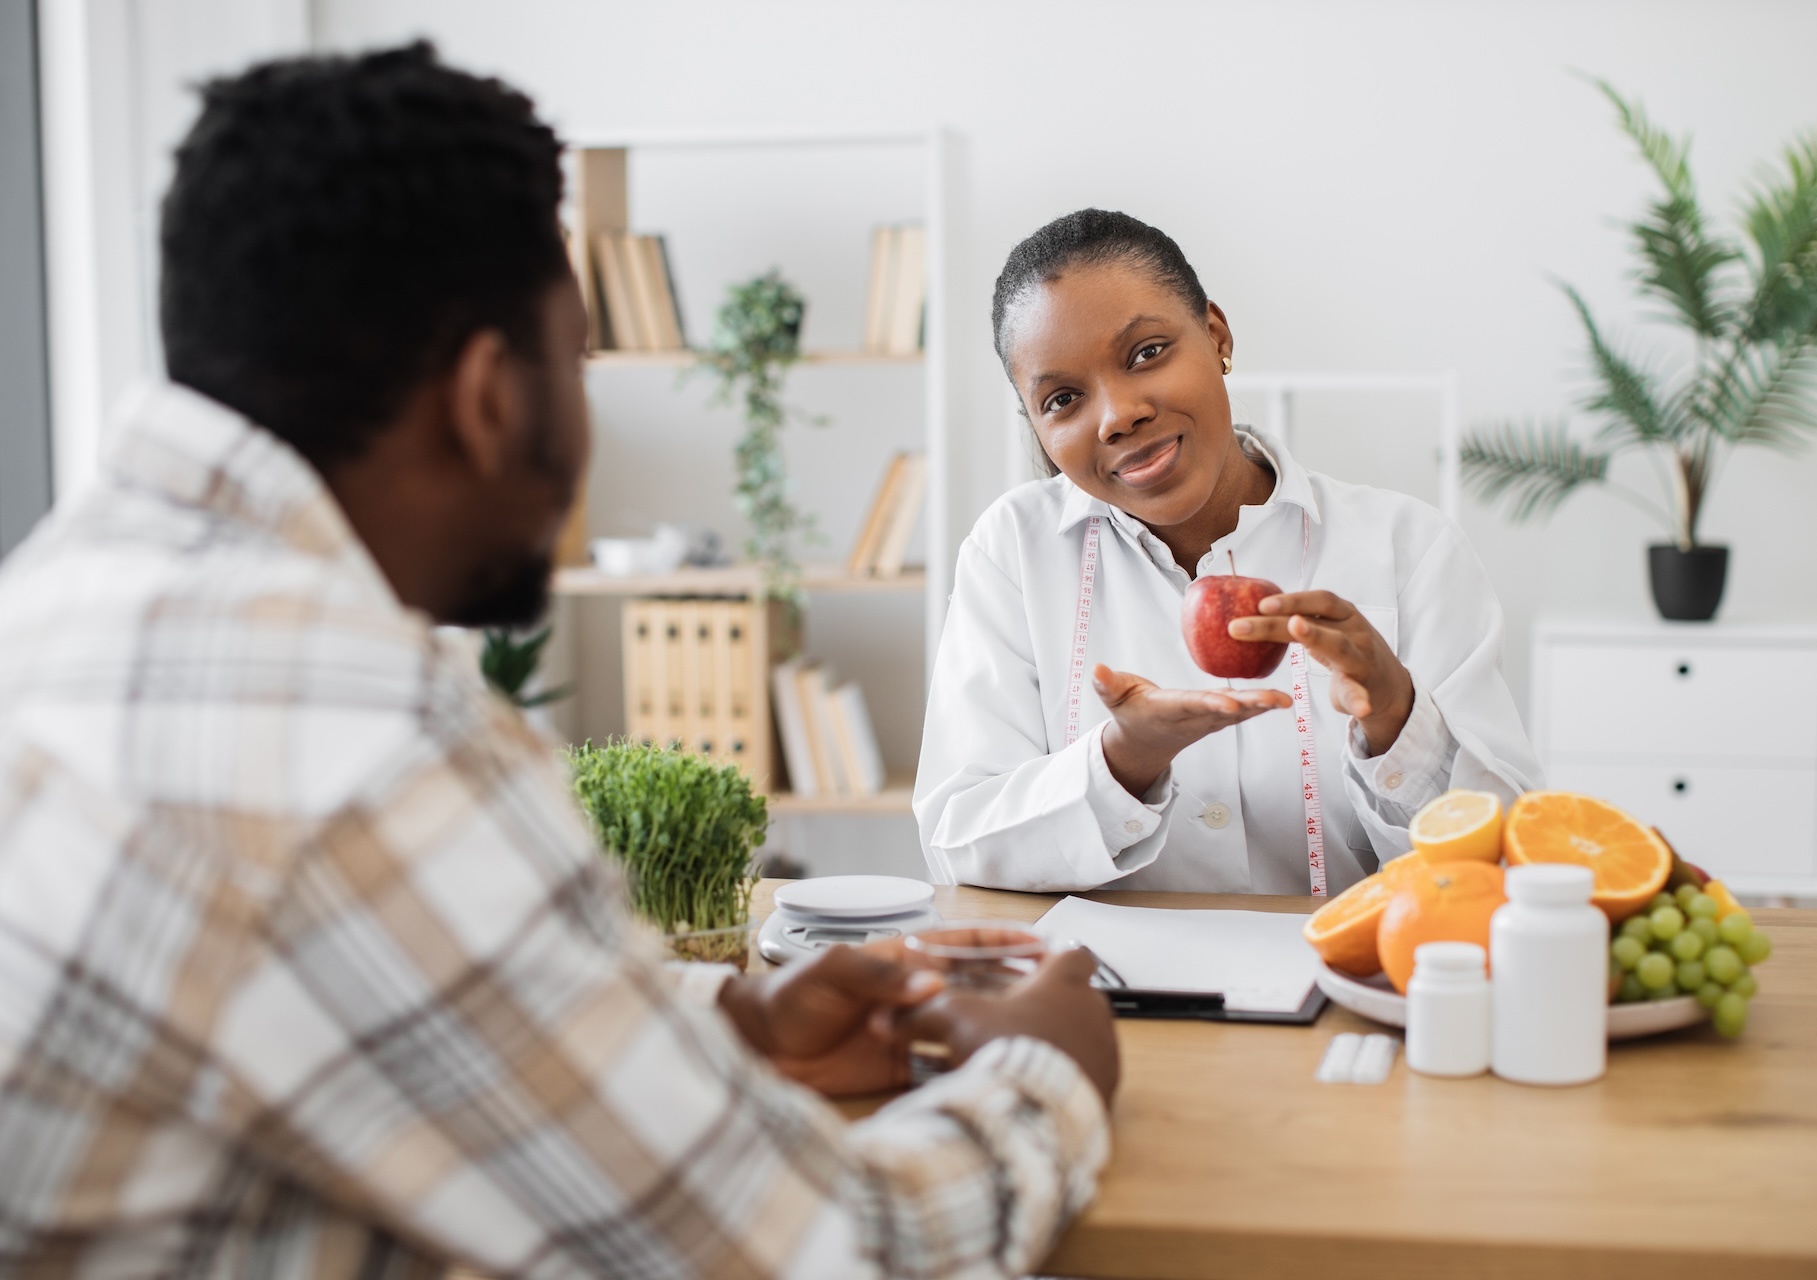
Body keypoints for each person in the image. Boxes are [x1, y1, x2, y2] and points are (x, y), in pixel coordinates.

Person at [0, 45, 1116, 1279]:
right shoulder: (356, 741)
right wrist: (1049, 1072)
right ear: (488, 394)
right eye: (578, 360)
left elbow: (355, 1005)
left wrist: (723, 1019)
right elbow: (831, 1251)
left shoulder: (55, 605)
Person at [916, 209, 1538, 895]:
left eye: (1146, 353)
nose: (1119, 414)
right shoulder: (1011, 552)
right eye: (1063, 398)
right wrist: (1124, 761)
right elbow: (958, 841)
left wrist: (1396, 718)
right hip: (1099, 971)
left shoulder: (1408, 548)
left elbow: (1506, 857)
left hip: (1339, 963)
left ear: (1216, 337)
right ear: (1037, 427)